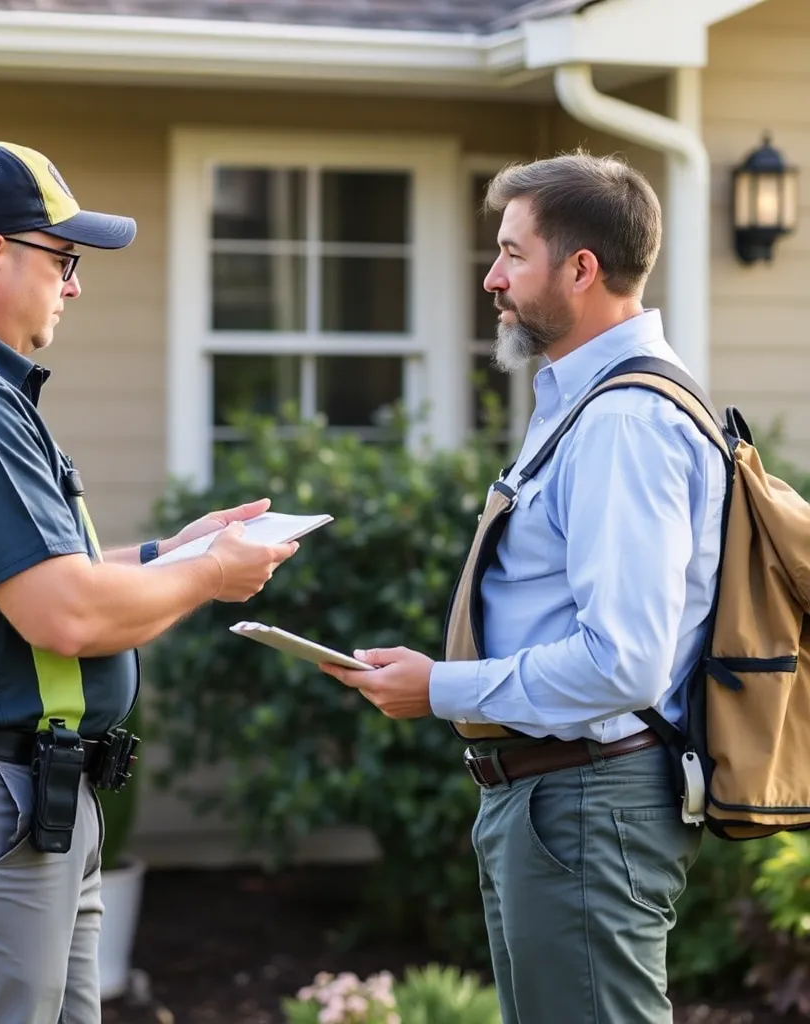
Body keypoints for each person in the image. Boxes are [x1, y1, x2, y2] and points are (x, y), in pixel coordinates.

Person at [0, 136, 297, 1024]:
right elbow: (66, 616)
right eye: (63, 259)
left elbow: (26, 581)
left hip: (0, 793)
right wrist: (212, 575)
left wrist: (171, 554)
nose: (73, 286)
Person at [322, 151, 726, 1024]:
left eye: (512, 253)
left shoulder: (624, 423)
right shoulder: (587, 403)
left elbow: (624, 663)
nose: (492, 278)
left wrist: (441, 687)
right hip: (559, 798)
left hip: (587, 799)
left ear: (581, 269)